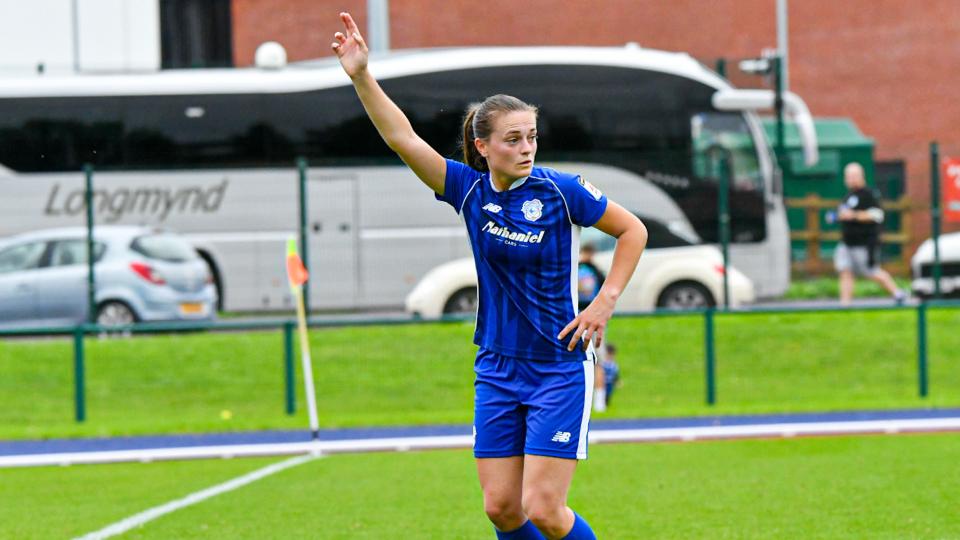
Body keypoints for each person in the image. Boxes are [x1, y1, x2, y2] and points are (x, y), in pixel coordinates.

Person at [331, 13, 648, 539]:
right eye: (513, 139)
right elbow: (403, 140)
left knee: (543, 508)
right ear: (482, 146)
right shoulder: (469, 192)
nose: (526, 148)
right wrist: (362, 75)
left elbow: (632, 230)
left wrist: (605, 301)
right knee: (502, 508)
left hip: (556, 365)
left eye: (532, 137)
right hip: (497, 366)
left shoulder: (560, 189)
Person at [834, 162, 906, 306]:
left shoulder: (869, 194)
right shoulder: (848, 196)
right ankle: (844, 305)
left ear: (861, 176)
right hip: (847, 242)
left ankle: (897, 293)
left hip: (864, 243)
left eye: (854, 176)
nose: (851, 179)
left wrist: (854, 215)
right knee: (845, 271)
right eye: (848, 176)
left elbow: (877, 215)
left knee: (871, 272)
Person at [577, 244, 610, 413]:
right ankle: (597, 402)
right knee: (596, 362)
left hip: (588, 317)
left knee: (597, 361)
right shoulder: (594, 270)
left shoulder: (581, 269)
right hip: (585, 316)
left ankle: (598, 401)